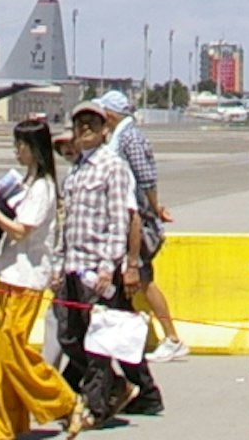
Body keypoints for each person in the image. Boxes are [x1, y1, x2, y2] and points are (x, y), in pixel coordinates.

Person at [0, 117, 76, 440]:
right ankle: (3, 427)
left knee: (14, 349)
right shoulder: (24, 182)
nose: (17, 151)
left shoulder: (44, 188)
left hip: (28, 276)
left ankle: (64, 401)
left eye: (21, 145)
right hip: (8, 272)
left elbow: (21, 230)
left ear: (35, 149)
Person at [54, 99, 149, 421]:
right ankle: (116, 384)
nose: (84, 131)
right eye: (79, 125)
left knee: (97, 341)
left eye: (92, 125)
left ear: (105, 130)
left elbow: (119, 219)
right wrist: (57, 264)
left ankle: (97, 405)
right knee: (68, 336)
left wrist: (112, 266)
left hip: (96, 268)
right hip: (71, 266)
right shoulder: (76, 170)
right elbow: (65, 222)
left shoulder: (112, 166)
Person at [106, 91, 182, 365]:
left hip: (137, 218)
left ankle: (172, 337)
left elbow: (146, 177)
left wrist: (154, 208)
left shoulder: (129, 138)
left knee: (144, 280)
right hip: (130, 216)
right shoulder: (122, 136)